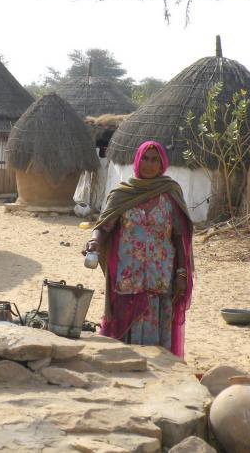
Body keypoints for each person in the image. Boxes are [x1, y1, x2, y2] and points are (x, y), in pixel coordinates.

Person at [83, 141, 194, 358]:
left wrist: (182, 273)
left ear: (162, 163)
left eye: (155, 160)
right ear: (137, 160)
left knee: (156, 344)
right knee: (123, 329)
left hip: (160, 278)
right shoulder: (122, 195)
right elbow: (103, 227)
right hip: (128, 277)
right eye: (145, 158)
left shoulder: (170, 194)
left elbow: (181, 237)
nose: (149, 164)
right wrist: (94, 241)